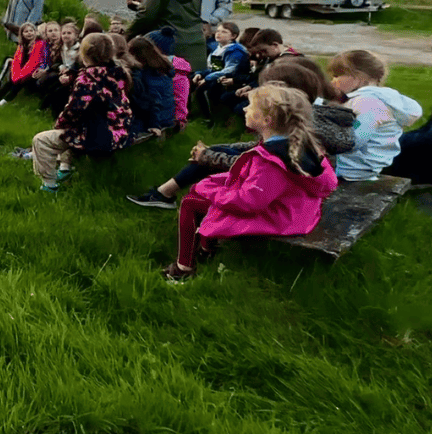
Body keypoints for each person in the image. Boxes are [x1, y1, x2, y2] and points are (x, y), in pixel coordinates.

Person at [161, 84, 338, 280]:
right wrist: (211, 183)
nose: (244, 109)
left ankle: (183, 269)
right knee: (201, 194)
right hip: (294, 207)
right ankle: (206, 248)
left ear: (266, 120)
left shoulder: (271, 161)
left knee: (190, 203)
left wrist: (208, 190)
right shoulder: (295, 143)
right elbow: (252, 182)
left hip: (280, 217)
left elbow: (248, 202)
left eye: (250, 106)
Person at [128, 57, 354, 209]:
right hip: (285, 179)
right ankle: (165, 193)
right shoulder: (300, 113)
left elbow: (263, 164)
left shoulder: (304, 125)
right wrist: (214, 152)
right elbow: (261, 150)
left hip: (291, 192)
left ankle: (167, 196)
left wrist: (208, 157)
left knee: (211, 157)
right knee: (215, 151)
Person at [31, 33, 132, 192]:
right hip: (120, 130)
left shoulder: (87, 78)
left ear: (85, 54)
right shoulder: (119, 73)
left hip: (99, 135)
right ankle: (65, 168)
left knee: (41, 141)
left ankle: (49, 185)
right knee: (70, 132)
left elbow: (74, 109)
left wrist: (59, 125)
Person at [328, 49, 423, 182]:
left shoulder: (367, 104)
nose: (333, 81)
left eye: (337, 76)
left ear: (357, 77)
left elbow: (353, 140)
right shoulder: (381, 98)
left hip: (354, 170)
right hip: (367, 164)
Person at [126, 0, 206, 78]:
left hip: (169, 45)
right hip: (196, 46)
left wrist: (126, 37)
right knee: (187, 90)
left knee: (168, 90)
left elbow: (146, 17)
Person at [191, 20, 251, 125]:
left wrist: (207, 78)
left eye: (224, 32)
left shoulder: (236, 51)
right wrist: (200, 73)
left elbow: (229, 70)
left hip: (235, 79)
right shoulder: (218, 48)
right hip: (219, 76)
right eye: (218, 31)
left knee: (209, 89)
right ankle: (205, 116)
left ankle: (216, 119)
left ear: (233, 36)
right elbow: (214, 67)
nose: (218, 33)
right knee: (196, 84)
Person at [127, 36, 176, 135]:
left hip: (160, 119)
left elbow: (154, 99)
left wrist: (154, 124)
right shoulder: (162, 68)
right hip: (168, 115)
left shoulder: (149, 74)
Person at [0, 22, 45, 105]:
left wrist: (20, 75)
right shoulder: (22, 46)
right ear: (22, 34)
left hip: (34, 71)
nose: (29, 33)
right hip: (22, 69)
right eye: (26, 31)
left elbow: (33, 63)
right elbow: (17, 60)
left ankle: (5, 100)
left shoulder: (39, 44)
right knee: (11, 80)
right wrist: (16, 74)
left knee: (20, 81)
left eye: (31, 31)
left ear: (35, 32)